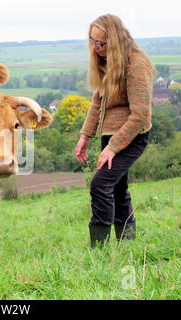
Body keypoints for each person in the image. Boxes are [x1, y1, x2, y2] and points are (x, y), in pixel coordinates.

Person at [75, 14, 154, 248]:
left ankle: (98, 248)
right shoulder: (106, 62)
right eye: (92, 41)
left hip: (132, 135)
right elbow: (98, 102)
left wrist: (113, 147)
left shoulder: (136, 64)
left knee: (101, 184)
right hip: (110, 134)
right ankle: (127, 243)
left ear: (116, 41)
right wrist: (84, 136)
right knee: (118, 188)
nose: (95, 48)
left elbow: (140, 116)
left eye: (101, 43)